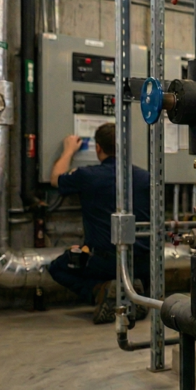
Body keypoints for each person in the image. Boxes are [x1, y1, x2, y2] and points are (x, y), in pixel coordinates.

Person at [48, 123, 152, 324]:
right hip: (142, 262)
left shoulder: (86, 175)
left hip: (106, 262)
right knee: (126, 262)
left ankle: (100, 291)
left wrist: (69, 150)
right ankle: (133, 293)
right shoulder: (145, 177)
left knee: (58, 268)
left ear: (97, 148)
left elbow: (55, 178)